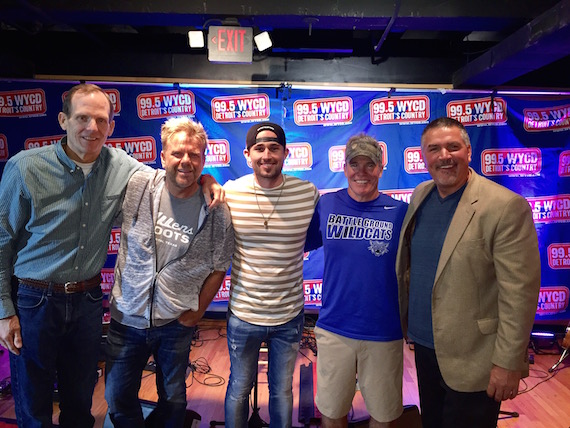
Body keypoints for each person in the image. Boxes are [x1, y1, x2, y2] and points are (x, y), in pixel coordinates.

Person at [0, 83, 223, 427]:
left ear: (111, 126)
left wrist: (207, 178)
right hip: (35, 299)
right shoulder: (25, 168)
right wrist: (3, 312)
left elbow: (179, 176)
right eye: (82, 118)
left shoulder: (123, 167)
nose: (92, 127)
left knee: (80, 397)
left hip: (88, 300)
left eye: (100, 119)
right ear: (63, 119)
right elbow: (2, 242)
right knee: (33, 400)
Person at [396, 117, 541, 428]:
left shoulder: (504, 207)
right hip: (424, 345)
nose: (444, 156)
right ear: (423, 157)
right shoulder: (421, 195)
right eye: (434, 149)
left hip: (474, 355)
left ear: (469, 151)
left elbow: (520, 293)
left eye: (453, 147)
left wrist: (507, 362)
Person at [104, 117, 234, 427]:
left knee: (174, 398)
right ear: (163, 157)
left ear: (203, 159)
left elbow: (219, 266)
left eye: (194, 155)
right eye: (177, 153)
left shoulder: (216, 209)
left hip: (175, 323)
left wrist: (198, 310)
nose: (185, 161)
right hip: (126, 318)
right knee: (117, 397)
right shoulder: (138, 185)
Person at [305, 134, 407, 428]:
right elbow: (294, 243)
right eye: (355, 164)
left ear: (381, 167)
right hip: (335, 327)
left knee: (383, 415)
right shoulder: (327, 205)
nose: (362, 172)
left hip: (384, 331)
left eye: (370, 164)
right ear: (345, 167)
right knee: (332, 411)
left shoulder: (399, 212)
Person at [223, 123, 319, 428]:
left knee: (281, 390)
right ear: (247, 154)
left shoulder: (307, 194)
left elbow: (316, 238)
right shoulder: (230, 193)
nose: (267, 155)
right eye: (260, 148)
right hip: (243, 314)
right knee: (239, 388)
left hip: (289, 316)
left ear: (286, 153)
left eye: (274, 148)